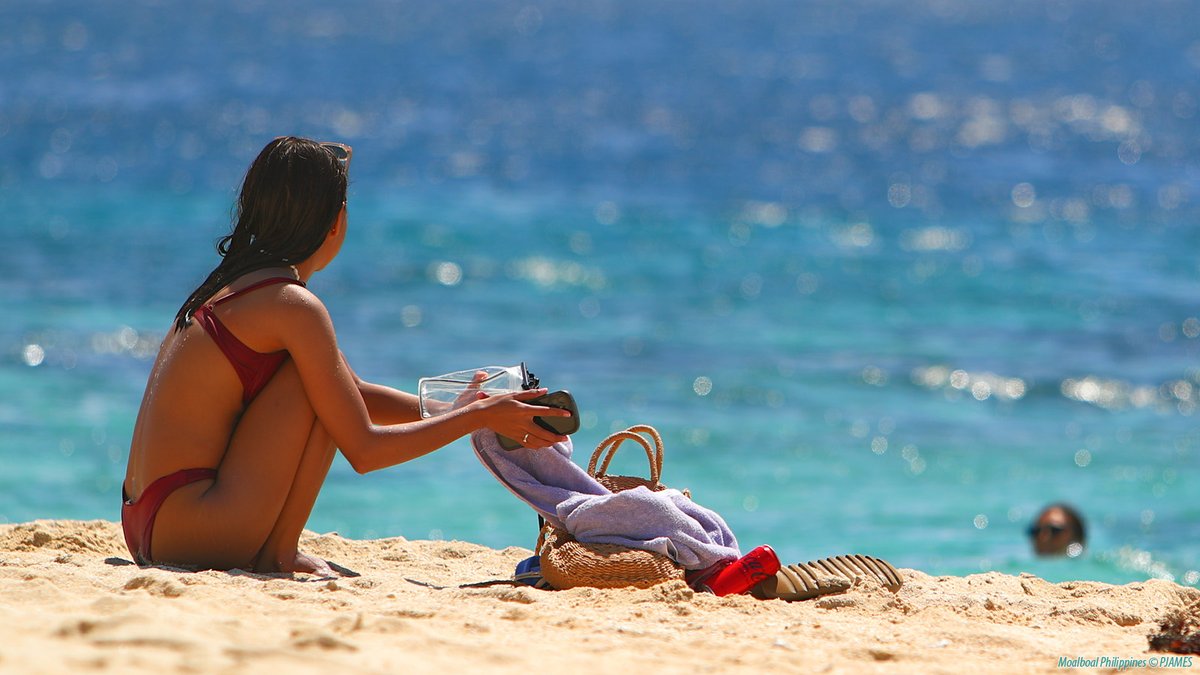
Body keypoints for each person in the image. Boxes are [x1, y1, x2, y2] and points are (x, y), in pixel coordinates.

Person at [121, 136, 571, 576]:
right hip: (192, 533)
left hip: (148, 520)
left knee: (322, 386)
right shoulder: (293, 305)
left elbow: (350, 394)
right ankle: (278, 553)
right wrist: (476, 419)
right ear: (335, 223)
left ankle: (278, 550)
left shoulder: (237, 285)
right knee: (312, 386)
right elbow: (364, 449)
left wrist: (456, 408)